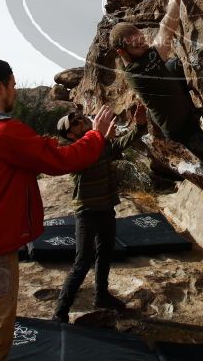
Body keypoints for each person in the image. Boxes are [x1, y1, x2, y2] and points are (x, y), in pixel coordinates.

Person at [0, 58, 116, 361]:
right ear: (0, 86)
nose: (15, 91)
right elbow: (60, 161)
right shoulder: (1, 131)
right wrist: (96, 135)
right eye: (12, 85)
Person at [109, 0, 203, 205]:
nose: (143, 46)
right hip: (178, 125)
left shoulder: (144, 59)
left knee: (172, 64)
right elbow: (167, 29)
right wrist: (175, 0)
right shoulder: (138, 72)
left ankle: (190, 104)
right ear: (121, 52)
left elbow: (165, 33)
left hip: (177, 104)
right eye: (137, 45)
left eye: (143, 40)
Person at [51, 104, 148, 323]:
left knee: (104, 254)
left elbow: (123, 143)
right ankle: (60, 312)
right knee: (83, 261)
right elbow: (86, 163)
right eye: (75, 122)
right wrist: (101, 137)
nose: (81, 121)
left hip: (106, 207)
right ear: (70, 134)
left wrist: (139, 125)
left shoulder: (99, 144)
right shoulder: (73, 151)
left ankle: (101, 296)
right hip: (86, 211)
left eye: (80, 118)